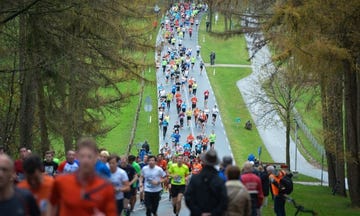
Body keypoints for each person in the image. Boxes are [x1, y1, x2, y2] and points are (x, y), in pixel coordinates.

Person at [49, 137, 117, 216]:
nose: (86, 160)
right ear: (77, 156)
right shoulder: (61, 182)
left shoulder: (106, 187)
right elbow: (51, 205)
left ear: (96, 157)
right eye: (82, 156)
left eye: (89, 156)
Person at [185, 149, 227, 216]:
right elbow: (224, 200)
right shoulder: (219, 180)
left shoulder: (195, 178)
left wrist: (199, 212)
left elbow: (188, 197)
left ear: (204, 161)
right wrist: (213, 213)